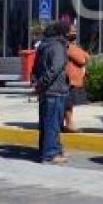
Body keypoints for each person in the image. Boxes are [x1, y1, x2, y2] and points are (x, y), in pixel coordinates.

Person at [32, 21, 70, 164]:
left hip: (46, 91)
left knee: (46, 123)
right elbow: (56, 68)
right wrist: (44, 82)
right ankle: (50, 154)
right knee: (52, 123)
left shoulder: (43, 46)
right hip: (55, 90)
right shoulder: (58, 46)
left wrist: (38, 84)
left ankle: (48, 150)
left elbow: (34, 69)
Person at [63, 24, 90, 133]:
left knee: (69, 104)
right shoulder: (68, 47)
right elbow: (82, 59)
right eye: (72, 31)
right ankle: (69, 124)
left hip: (72, 79)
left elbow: (86, 56)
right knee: (68, 104)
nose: (74, 34)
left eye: (75, 31)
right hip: (70, 79)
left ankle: (66, 123)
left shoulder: (72, 47)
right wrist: (81, 53)